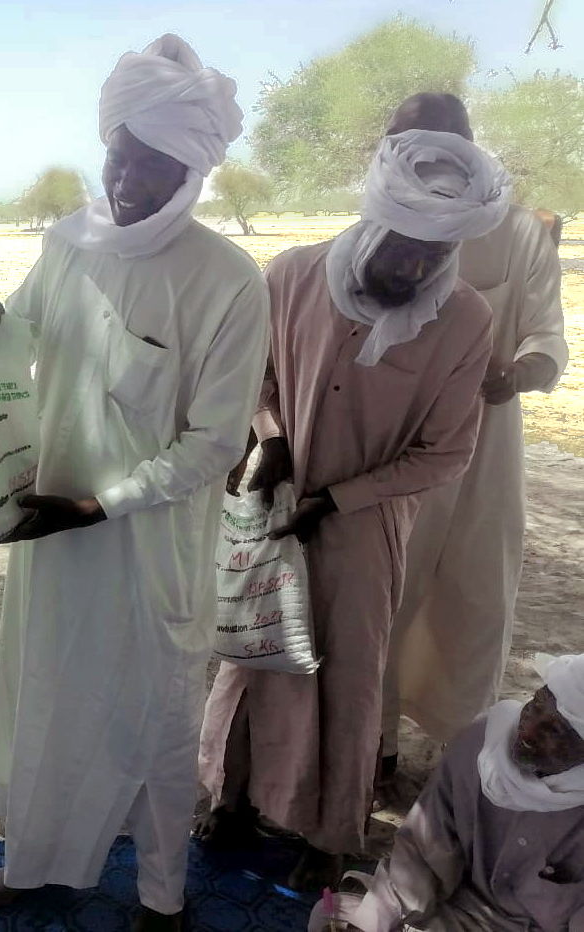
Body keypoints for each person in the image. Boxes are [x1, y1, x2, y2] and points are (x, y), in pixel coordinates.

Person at [0, 34, 270, 931]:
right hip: (51, 540)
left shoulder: (227, 280)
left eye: (155, 164)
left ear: (195, 170)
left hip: (149, 552)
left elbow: (215, 443)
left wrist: (101, 504)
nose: (130, 179)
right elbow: (18, 334)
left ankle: (161, 897)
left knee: (156, 726)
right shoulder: (66, 245)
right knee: (48, 705)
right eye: (119, 155)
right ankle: (35, 864)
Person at [199, 128, 509, 891]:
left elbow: (445, 453)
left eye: (431, 257)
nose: (411, 267)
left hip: (365, 533)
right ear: (373, 221)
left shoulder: (464, 320)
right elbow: (258, 380)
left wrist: (339, 499)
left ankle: (331, 833)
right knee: (250, 656)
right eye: (400, 248)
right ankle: (230, 798)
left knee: (346, 675)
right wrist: (270, 440)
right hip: (272, 507)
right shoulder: (292, 275)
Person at [379, 95, 569, 781]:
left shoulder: (516, 233)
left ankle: (457, 755)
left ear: (466, 145)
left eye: (436, 140)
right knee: (384, 594)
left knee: (474, 597)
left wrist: (515, 374)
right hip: (391, 451)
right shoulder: (375, 228)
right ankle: (374, 748)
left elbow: (547, 334)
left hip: (486, 447)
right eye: (402, 140)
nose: (420, 155)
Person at [311, 654, 584, 931]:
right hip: (455, 911)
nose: (528, 730)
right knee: (331, 915)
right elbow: (423, 850)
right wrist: (372, 922)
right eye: (536, 705)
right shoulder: (481, 745)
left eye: (554, 730)